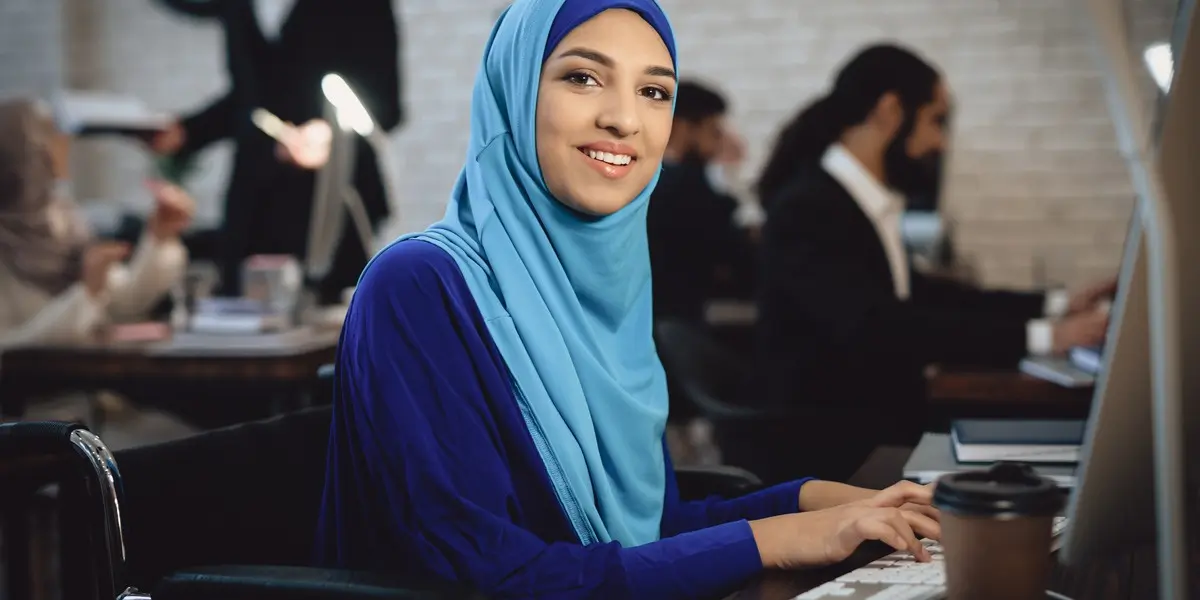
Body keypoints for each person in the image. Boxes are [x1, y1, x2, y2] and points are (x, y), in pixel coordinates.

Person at [315, 2, 943, 598]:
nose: (625, 119)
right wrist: (777, 538)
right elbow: (495, 577)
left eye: (654, 91)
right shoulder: (419, 286)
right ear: (513, 92)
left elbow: (646, 530)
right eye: (583, 77)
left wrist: (825, 503)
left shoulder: (602, 290)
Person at [753, 44, 1114, 474]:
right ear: (890, 111)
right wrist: (1046, 337)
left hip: (875, 425)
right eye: (935, 120)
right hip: (838, 453)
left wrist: (1055, 306)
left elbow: (924, 297)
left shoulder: (853, 202)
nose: (940, 141)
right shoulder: (809, 208)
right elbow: (881, 327)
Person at [150, 0, 402, 303]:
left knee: (334, 326)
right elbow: (248, 99)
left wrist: (328, 133)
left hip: (333, 205)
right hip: (253, 206)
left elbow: (387, 102)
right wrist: (187, 131)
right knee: (240, 316)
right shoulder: (239, 7)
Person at [0, 99, 193, 349]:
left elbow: (124, 303)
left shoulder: (63, 220)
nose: (63, 141)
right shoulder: (7, 241)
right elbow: (10, 350)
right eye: (49, 132)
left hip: (88, 383)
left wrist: (159, 236)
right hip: (37, 387)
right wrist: (85, 296)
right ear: (22, 153)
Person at [648, 80, 756, 325]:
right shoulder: (687, 185)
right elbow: (738, 260)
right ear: (684, 128)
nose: (718, 145)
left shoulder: (641, 180)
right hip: (677, 325)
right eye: (714, 132)